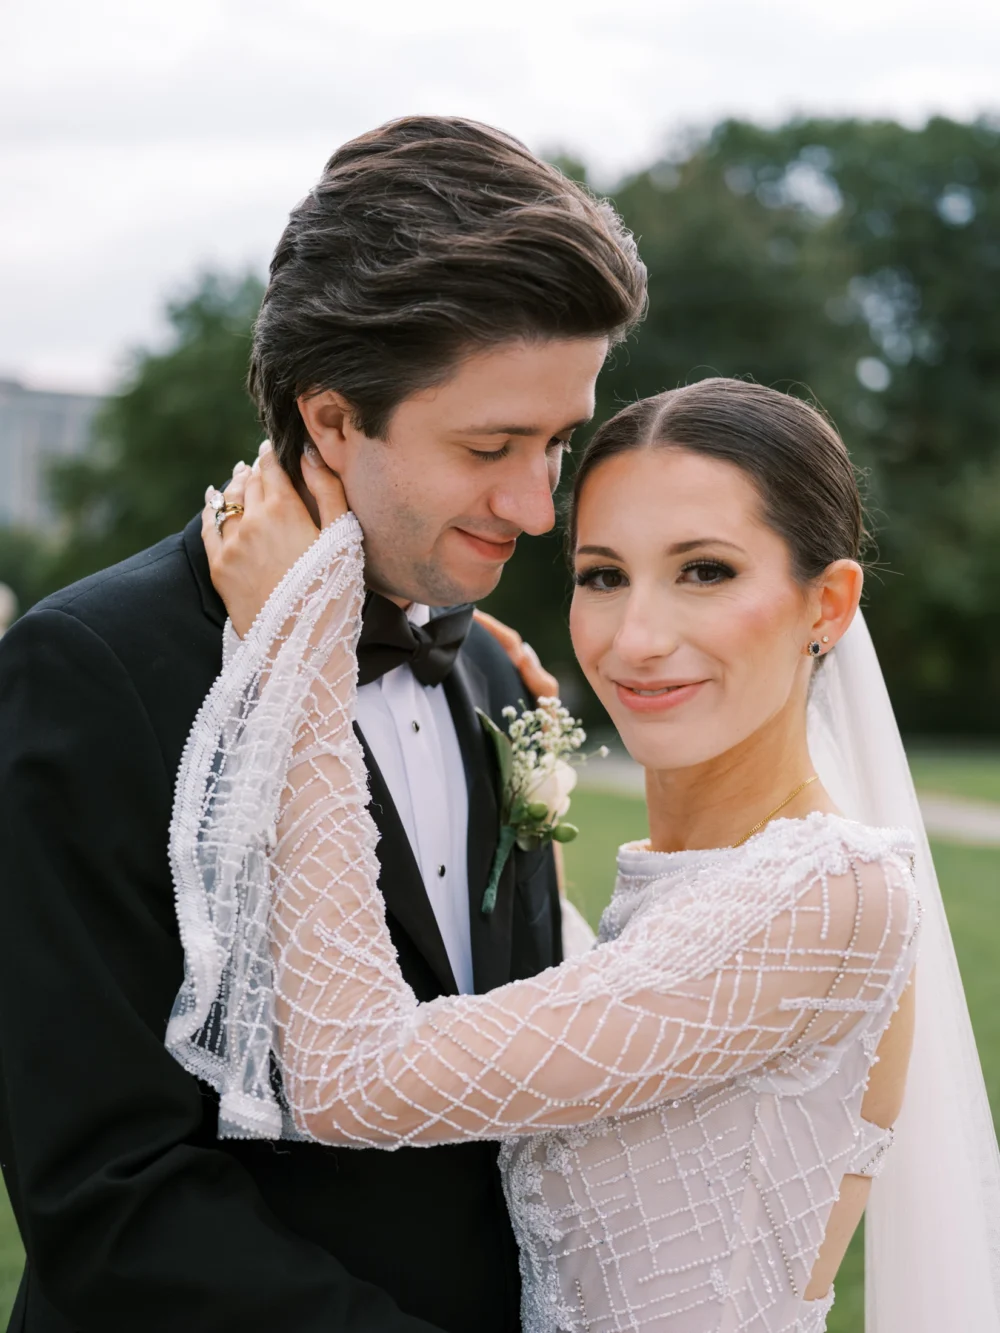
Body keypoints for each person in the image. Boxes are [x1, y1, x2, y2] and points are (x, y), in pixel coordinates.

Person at [0, 117, 645, 1333]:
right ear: (337, 419)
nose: (537, 506)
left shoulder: (498, 678)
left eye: (558, 443)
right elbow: (109, 1189)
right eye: (491, 446)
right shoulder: (92, 670)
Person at [180, 377, 1000, 1332]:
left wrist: (305, 655)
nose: (637, 640)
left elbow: (349, 1074)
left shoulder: (834, 895)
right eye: (603, 576)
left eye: (706, 571)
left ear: (828, 604)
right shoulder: (684, 890)